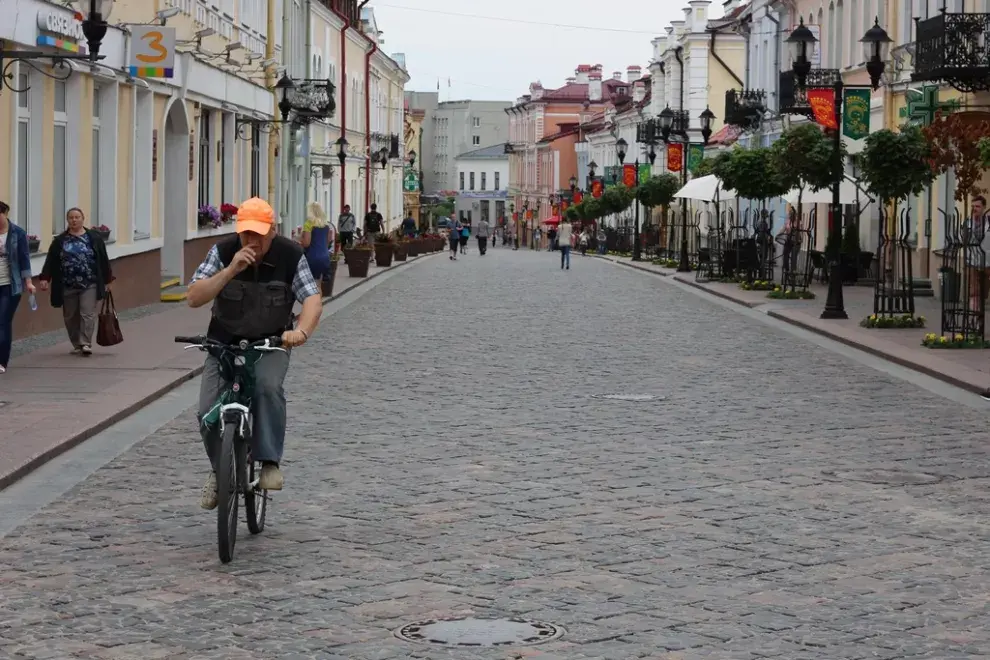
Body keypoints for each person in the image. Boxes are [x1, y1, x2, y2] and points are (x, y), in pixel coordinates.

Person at [187, 197, 322, 509]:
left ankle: (269, 462)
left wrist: (300, 331)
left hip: (270, 343)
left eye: (259, 234)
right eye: (246, 233)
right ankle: (220, 474)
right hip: (224, 342)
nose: (252, 240)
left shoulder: (290, 254)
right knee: (206, 412)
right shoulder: (222, 252)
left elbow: (312, 298)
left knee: (267, 387)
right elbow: (194, 296)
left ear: (272, 230)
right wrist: (231, 270)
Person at [39, 208, 113, 357]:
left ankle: (86, 343)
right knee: (70, 316)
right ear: (67, 220)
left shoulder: (94, 238)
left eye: (77, 217)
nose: (74, 220)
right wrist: (45, 278)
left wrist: (108, 279)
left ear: (83, 219)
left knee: (87, 313)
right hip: (67, 283)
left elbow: (103, 259)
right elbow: (51, 261)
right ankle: (77, 343)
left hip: (89, 282)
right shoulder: (60, 241)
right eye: (71, 218)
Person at [0, 201, 35, 374]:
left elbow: (24, 258)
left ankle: (2, 361)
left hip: (10, 285)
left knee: (3, 322)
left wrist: (28, 282)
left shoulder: (17, 233)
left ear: (5, 213)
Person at [299, 202, 333, 290]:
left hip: (313, 258)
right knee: (319, 286)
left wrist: (300, 239)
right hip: (325, 257)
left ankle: (313, 303)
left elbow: (306, 243)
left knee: (311, 287)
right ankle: (319, 303)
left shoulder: (309, 224)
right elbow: (327, 242)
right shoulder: (326, 225)